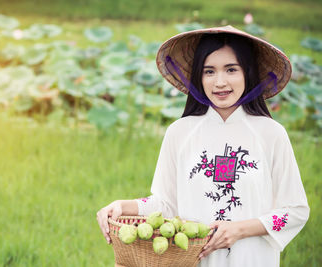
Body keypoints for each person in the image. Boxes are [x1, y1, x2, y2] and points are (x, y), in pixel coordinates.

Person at [96, 25, 309, 267]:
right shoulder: (180, 132)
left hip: (252, 259)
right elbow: (166, 204)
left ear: (247, 73)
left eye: (231, 70)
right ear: (199, 76)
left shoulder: (271, 134)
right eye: (209, 71)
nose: (220, 82)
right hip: (192, 260)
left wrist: (239, 230)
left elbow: (295, 210)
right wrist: (123, 206)